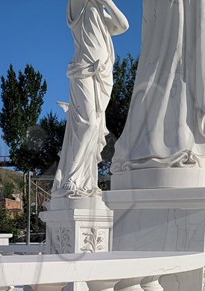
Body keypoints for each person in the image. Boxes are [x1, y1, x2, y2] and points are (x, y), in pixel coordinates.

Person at [111, 0, 205, 174]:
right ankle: (153, 144)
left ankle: (186, 141)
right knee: (164, 63)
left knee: (187, 67)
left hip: (192, 12)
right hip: (167, 13)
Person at [53, 0, 128, 199]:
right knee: (86, 124)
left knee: (94, 127)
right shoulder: (79, 5)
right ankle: (71, 176)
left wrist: (107, 3)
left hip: (103, 75)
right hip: (83, 71)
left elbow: (123, 25)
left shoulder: (99, 10)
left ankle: (86, 180)